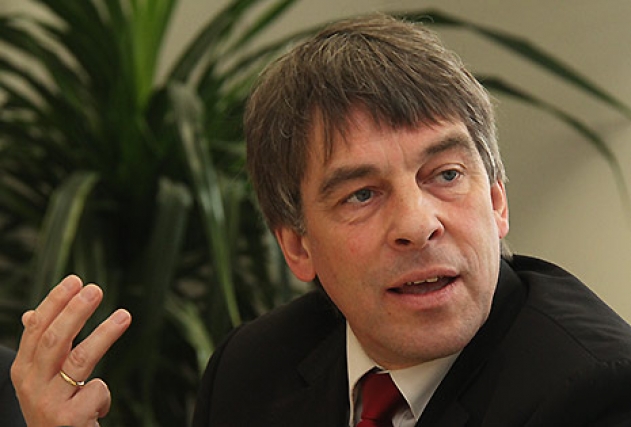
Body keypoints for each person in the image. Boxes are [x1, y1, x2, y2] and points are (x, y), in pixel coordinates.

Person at [11, 14, 631, 427]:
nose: (417, 224)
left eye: (445, 175)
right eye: (361, 194)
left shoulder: (595, 394)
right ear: (296, 246)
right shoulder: (252, 370)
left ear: (496, 201)